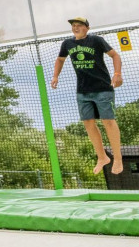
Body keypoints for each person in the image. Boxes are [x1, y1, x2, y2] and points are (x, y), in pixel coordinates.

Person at [51, 17, 123, 175]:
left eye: (79, 25)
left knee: (108, 121)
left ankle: (118, 158)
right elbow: (60, 59)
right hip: (82, 91)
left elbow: (115, 56)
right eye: (73, 26)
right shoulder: (67, 44)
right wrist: (55, 76)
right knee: (88, 123)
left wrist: (117, 74)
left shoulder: (96, 40)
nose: (75, 28)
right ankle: (102, 157)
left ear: (87, 28)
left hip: (103, 89)